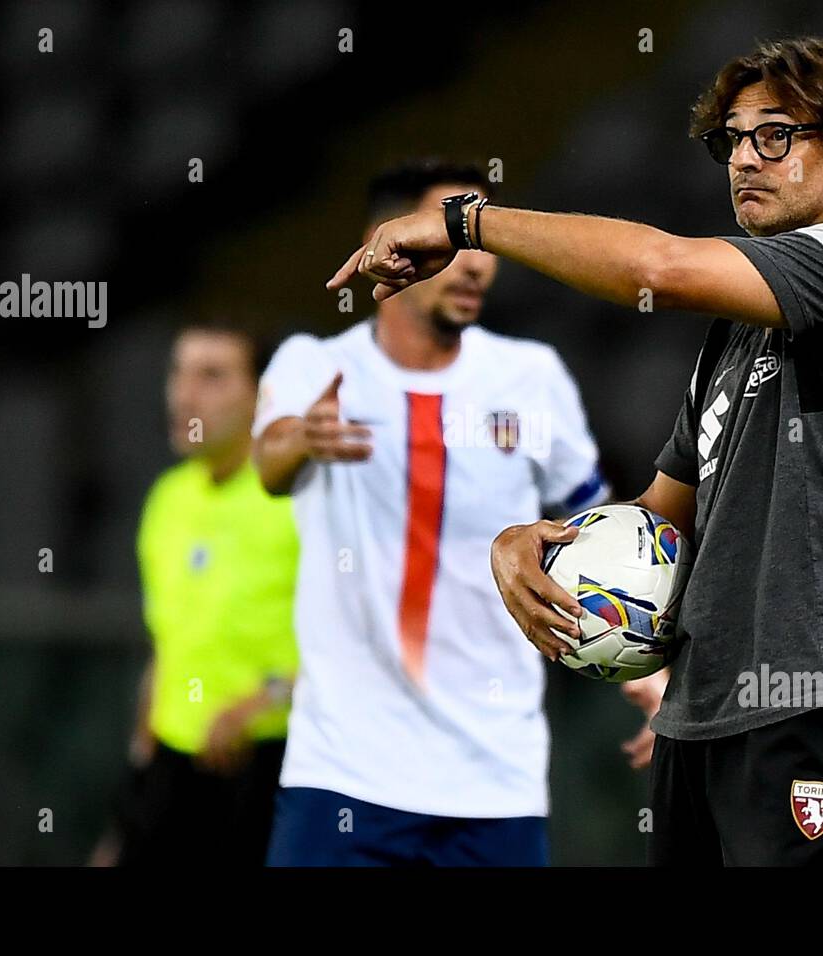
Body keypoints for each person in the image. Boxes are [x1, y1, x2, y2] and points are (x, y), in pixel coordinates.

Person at [329, 38, 823, 866]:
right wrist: (533, 544)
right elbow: (663, 516)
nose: (743, 159)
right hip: (705, 720)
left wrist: (466, 221)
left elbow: (659, 266)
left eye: (775, 135)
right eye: (731, 139)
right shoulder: (738, 332)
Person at [254, 159, 607, 866]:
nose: (474, 265)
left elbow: (596, 526)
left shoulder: (530, 377)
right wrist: (304, 436)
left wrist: (648, 679)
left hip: (493, 781)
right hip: (342, 776)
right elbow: (268, 463)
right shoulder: (312, 366)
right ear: (389, 242)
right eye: (449, 240)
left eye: (480, 244)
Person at [103, 319, 301, 866]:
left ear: (263, 396)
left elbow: (359, 642)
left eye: (212, 376)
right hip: (174, 764)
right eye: (179, 372)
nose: (184, 393)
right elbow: (167, 645)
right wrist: (136, 793)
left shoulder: (299, 502)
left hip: (271, 767)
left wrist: (263, 704)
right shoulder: (167, 500)